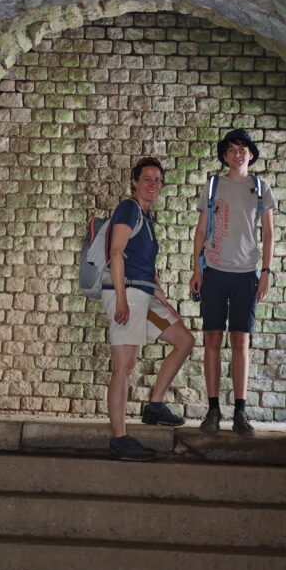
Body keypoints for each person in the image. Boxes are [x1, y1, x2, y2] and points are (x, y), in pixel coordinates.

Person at [103, 157, 195, 461]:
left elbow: (149, 270)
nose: (153, 184)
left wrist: (166, 303)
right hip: (126, 290)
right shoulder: (128, 209)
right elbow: (116, 252)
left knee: (184, 341)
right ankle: (119, 439)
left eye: (157, 180)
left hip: (145, 293)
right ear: (135, 182)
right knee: (125, 366)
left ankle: (154, 406)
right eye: (147, 179)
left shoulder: (148, 218)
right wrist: (121, 298)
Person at [189, 129, 276, 437]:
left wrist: (265, 272)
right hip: (214, 270)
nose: (238, 153)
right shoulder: (213, 185)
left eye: (243, 149)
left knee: (241, 342)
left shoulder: (260, 187)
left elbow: (268, 233)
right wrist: (196, 269)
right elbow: (201, 231)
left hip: (245, 274)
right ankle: (213, 409)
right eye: (232, 149)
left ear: (251, 154)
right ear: (224, 155)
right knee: (212, 340)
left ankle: (240, 411)